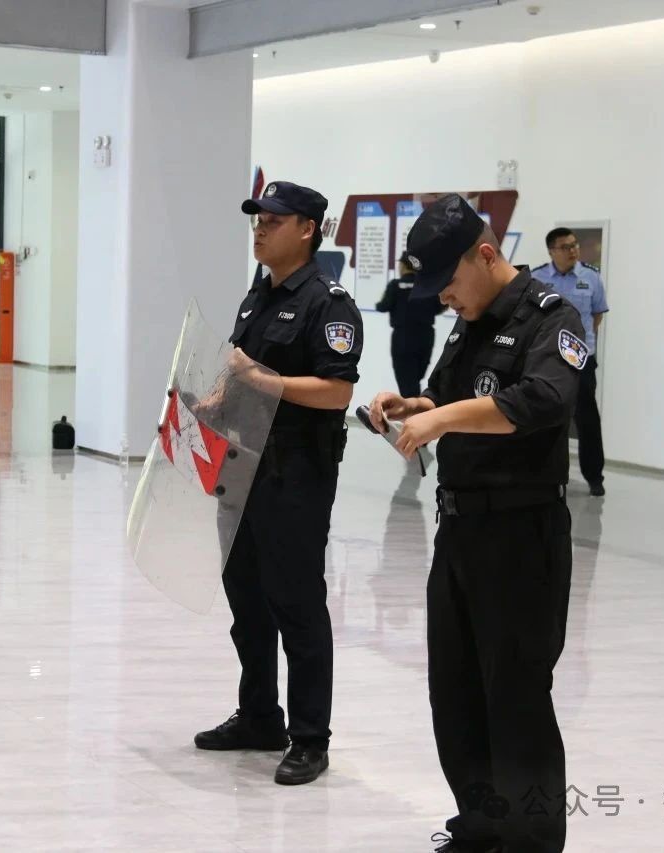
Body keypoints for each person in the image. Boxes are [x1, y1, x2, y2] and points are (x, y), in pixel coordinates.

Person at [368, 194, 583, 853]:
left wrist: (442, 418)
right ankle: (481, 830)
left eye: (448, 282)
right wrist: (413, 406)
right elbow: (448, 393)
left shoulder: (552, 315)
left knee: (516, 697)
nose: (443, 298)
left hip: (521, 535)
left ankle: (530, 844)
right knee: (456, 693)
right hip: (458, 532)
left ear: (485, 255)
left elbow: (544, 399)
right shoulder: (469, 321)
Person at [194, 180, 363, 786]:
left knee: (296, 603)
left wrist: (264, 381)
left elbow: (337, 392)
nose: (260, 228)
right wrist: (211, 403)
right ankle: (260, 716)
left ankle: (310, 738)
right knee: (246, 599)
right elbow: (238, 369)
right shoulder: (257, 295)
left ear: (308, 229)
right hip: (240, 467)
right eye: (257, 219)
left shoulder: (328, 304)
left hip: (294, 474)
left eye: (273, 219)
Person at [532, 228, 609, 496]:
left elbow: (597, 315)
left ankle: (594, 476)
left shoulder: (591, 277)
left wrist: (581, 342)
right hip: (548, 360)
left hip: (581, 360)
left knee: (587, 420)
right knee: (548, 418)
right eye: (565, 247)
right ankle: (547, 475)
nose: (573, 250)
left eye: (575, 245)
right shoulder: (537, 278)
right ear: (551, 251)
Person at [377, 256, 447, 398]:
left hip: (403, 337)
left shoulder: (395, 285)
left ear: (403, 266)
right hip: (425, 336)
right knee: (416, 378)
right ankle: (415, 405)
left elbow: (382, 306)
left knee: (407, 382)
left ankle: (412, 408)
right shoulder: (427, 286)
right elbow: (442, 305)